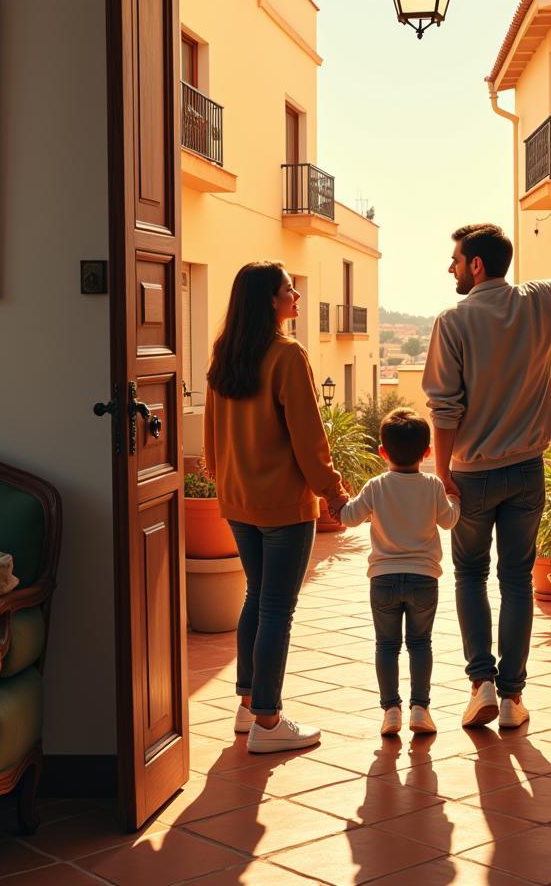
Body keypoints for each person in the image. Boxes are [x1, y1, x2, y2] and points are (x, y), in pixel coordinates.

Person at [422, 177, 551, 730]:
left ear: (477, 265)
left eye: (455, 261)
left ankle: (480, 684)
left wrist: (443, 472)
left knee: (469, 576)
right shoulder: (541, 301)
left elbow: (443, 408)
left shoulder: (452, 322)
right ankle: (512, 697)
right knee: (517, 580)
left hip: (472, 475)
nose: (451, 269)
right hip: (527, 472)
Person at [204, 261, 348, 754]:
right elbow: (309, 437)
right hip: (283, 504)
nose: (298, 297)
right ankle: (268, 720)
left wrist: (220, 474)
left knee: (256, 598)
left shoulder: (226, 353)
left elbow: (211, 431)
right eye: (291, 290)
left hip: (238, 499)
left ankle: (247, 706)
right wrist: (331, 489)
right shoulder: (287, 355)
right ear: (271, 299)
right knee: (275, 608)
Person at [339, 408, 460, 736]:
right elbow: (448, 521)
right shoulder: (433, 485)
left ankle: (390, 710)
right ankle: (420, 708)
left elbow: (349, 517)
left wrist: (340, 495)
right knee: (420, 643)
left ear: (383, 452)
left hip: (383, 579)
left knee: (386, 645)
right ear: (427, 452)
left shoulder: (376, 486)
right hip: (423, 579)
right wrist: (454, 499)